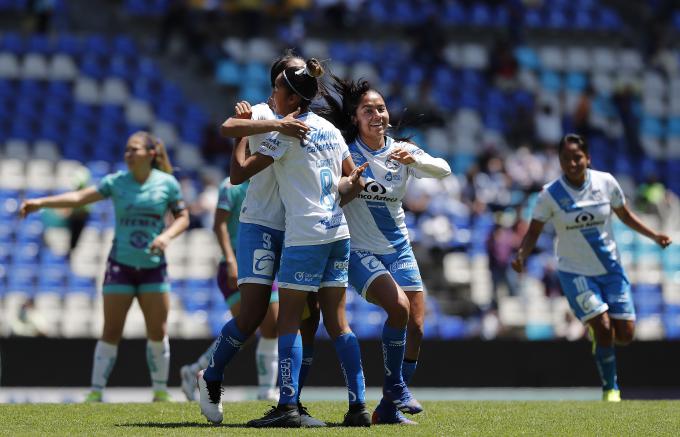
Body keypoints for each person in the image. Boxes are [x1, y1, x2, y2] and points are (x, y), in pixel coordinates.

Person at [228, 58, 371, 428]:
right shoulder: (330, 130)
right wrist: (353, 183)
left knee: (288, 321)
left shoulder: (288, 134)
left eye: (277, 88)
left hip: (304, 234)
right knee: (340, 324)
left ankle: (288, 406)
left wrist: (244, 134)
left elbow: (239, 174)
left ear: (292, 100)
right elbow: (348, 184)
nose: (272, 93)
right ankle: (358, 408)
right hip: (337, 232)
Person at [196, 52, 325, 427]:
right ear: (279, 83)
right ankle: (212, 374)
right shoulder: (259, 112)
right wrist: (254, 130)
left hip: (299, 228)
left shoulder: (312, 122)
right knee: (251, 315)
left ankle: (291, 402)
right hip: (261, 223)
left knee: (303, 315)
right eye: (293, 75)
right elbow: (226, 129)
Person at [19, 131, 189, 402]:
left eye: (134, 149)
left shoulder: (167, 184)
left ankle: (159, 391)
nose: (129, 154)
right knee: (111, 330)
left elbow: (183, 217)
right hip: (119, 266)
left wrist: (166, 236)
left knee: (158, 331)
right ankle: (96, 392)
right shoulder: (116, 182)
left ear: (151, 154)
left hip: (153, 268)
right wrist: (41, 203)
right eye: (127, 150)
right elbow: (79, 199)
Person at [320, 76, 451, 424]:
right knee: (398, 308)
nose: (377, 114)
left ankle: (388, 410)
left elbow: (444, 169)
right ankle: (395, 386)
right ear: (355, 118)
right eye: (368, 110)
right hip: (359, 250)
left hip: (399, 247)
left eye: (381, 108)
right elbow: (327, 188)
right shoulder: (344, 151)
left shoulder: (399, 150)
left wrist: (415, 160)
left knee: (418, 326)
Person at [511, 133, 672, 401]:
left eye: (577, 158)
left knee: (625, 335)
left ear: (588, 158)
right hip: (576, 271)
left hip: (611, 268)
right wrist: (521, 255)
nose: (572, 164)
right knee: (603, 325)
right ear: (560, 161)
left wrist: (654, 235)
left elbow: (626, 216)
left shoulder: (606, 182)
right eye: (566, 159)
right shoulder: (550, 194)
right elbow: (534, 231)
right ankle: (611, 388)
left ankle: (600, 338)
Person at [180, 175, 280, 402]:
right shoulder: (231, 185)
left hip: (262, 261)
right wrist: (230, 260)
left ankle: (266, 390)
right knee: (244, 329)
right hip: (235, 264)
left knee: (271, 326)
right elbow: (219, 224)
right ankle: (195, 370)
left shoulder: (271, 181)